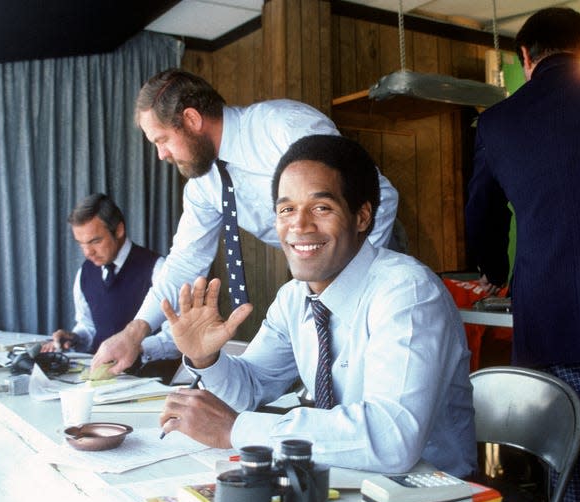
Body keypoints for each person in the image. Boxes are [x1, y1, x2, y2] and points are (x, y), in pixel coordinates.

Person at [159, 134, 476, 477]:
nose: (299, 225)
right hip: (341, 483)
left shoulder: (407, 293)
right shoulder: (295, 297)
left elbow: (391, 439)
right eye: (286, 209)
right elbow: (249, 389)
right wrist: (206, 359)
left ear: (362, 217)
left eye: (321, 208)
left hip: (431, 499)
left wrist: (237, 430)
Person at [91, 69, 399, 375]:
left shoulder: (283, 127)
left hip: (370, 251)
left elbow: (381, 198)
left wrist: (345, 285)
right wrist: (133, 334)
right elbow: (185, 264)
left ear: (192, 120)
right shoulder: (203, 185)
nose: (161, 155)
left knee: (377, 371)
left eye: (162, 140)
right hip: (316, 269)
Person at [465, 7, 580, 502]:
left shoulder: (497, 121)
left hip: (557, 321)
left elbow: (482, 214)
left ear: (525, 57)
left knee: (576, 471)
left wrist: (494, 269)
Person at [41, 194, 179, 363]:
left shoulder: (158, 269)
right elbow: (89, 327)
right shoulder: (84, 272)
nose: (87, 252)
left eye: (95, 241)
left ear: (119, 230)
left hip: (149, 381)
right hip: (101, 380)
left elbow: (177, 338)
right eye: (81, 243)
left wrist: (136, 347)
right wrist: (75, 338)